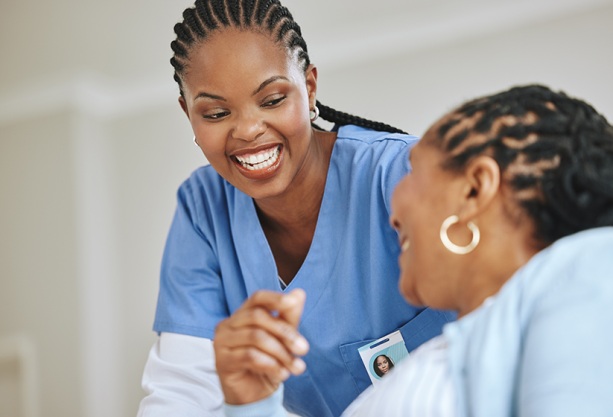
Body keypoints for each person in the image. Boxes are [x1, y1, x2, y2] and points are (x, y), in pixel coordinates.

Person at [215, 85, 613, 417]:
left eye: (416, 169)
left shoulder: (586, 270)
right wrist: (251, 404)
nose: (393, 211)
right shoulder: (449, 355)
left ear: (474, 189)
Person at [137, 1, 454, 416]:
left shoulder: (403, 176)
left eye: (272, 99)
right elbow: (179, 399)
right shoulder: (203, 213)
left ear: (310, 87)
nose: (248, 130)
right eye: (216, 113)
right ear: (188, 113)